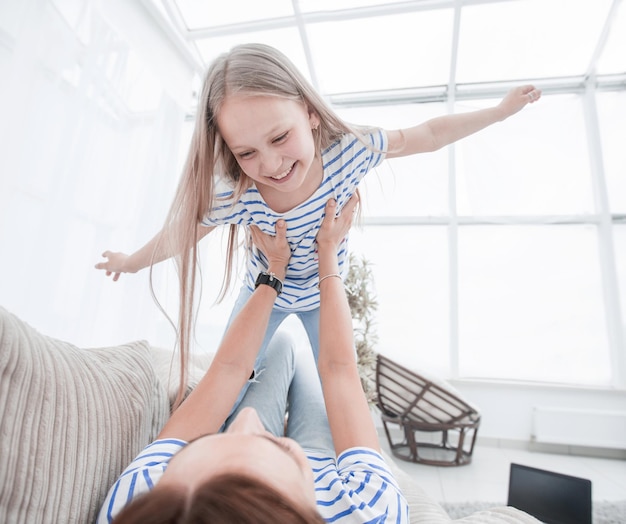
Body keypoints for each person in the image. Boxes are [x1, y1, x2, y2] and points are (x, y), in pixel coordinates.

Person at [95, 43, 541, 408]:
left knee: (340, 394)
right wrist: (133, 261)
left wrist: (499, 113)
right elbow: (183, 233)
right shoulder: (236, 192)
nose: (270, 164)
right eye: (247, 153)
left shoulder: (350, 151)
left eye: (279, 137)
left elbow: (426, 135)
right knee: (225, 383)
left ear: (309, 112)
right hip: (261, 294)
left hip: (323, 296)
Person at [96, 195, 410, 523]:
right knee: (308, 368)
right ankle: (295, 380)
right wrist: (327, 251)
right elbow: (339, 370)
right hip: (324, 462)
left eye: (217, 438)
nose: (245, 417)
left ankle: (289, 371)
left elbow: (228, 371)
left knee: (282, 345)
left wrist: (275, 268)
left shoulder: (150, 502)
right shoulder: (371, 511)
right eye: (277, 446)